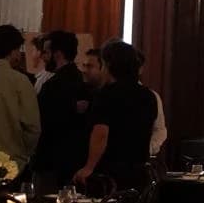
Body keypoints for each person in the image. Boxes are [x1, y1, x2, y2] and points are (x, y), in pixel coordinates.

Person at [75, 39, 156, 189]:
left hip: (110, 173)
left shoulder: (106, 95)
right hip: (138, 170)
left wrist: (89, 167)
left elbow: (101, 133)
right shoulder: (148, 96)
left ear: (109, 65)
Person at [33, 29, 87, 182]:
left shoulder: (52, 86)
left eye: (45, 52)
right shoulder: (83, 83)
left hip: (50, 161)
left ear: (57, 54)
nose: (43, 57)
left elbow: (39, 122)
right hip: (75, 160)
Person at [0, 22, 41, 171]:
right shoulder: (20, 81)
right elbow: (32, 127)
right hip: (9, 163)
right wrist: (24, 153)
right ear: (13, 50)